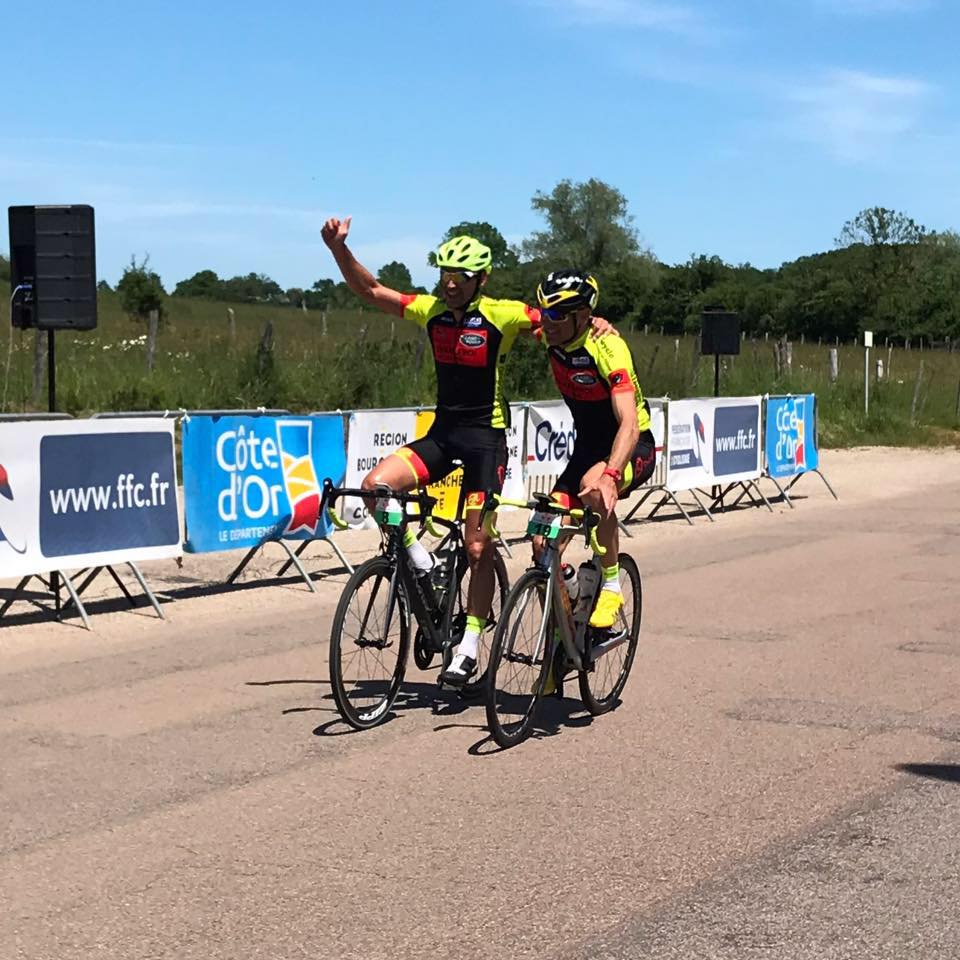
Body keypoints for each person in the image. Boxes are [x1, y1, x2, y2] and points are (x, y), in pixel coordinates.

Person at [321, 218, 614, 685]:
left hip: (486, 439)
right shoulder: (430, 309)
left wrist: (594, 321)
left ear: (481, 279)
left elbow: (559, 321)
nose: (450, 282)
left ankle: (470, 645)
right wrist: (339, 249)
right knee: (376, 487)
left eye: (460, 275)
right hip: (441, 434)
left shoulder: (502, 313)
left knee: (478, 546)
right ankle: (420, 559)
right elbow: (372, 291)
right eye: (444, 273)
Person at [534, 269, 656, 630]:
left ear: (582, 316)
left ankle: (613, 584)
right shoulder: (549, 336)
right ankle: (563, 635)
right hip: (587, 449)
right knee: (543, 543)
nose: (547, 321)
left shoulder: (608, 347)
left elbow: (629, 423)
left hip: (633, 446)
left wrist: (611, 475)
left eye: (556, 314)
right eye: (544, 312)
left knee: (594, 484)